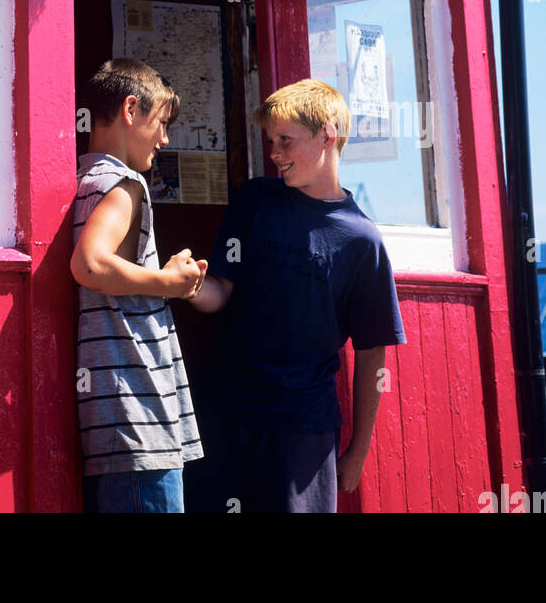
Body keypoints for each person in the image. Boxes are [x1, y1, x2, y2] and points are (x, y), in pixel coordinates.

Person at [186, 78, 405, 513]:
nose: (275, 153)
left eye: (286, 140)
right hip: (224, 415)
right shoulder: (255, 199)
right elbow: (219, 293)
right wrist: (186, 284)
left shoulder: (363, 241)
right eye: (271, 141)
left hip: (303, 431)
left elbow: (371, 355)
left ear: (328, 134)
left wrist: (357, 453)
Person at [71, 58, 206, 512]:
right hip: (138, 418)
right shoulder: (125, 184)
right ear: (131, 109)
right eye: (161, 123)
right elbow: (89, 264)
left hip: (117, 421)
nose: (165, 139)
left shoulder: (85, 177)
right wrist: (169, 282)